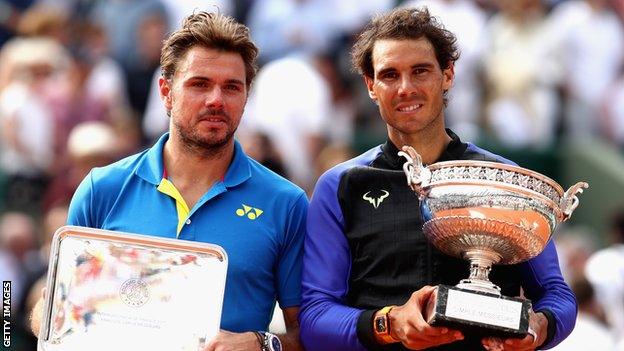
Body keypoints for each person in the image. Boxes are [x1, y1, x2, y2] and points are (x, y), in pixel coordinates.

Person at [299, 7, 576, 351]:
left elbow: (556, 294)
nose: (405, 88)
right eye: (389, 75)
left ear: (448, 74)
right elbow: (314, 317)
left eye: (420, 71)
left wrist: (539, 326)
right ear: (370, 85)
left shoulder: (502, 179)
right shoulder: (340, 185)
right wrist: (391, 323)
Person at [30, 12, 307, 351]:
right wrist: (50, 316)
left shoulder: (286, 203)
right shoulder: (101, 188)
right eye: (199, 84)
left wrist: (262, 344)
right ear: (166, 91)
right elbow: (51, 306)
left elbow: (308, 334)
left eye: (232, 87)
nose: (216, 100)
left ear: (246, 96)